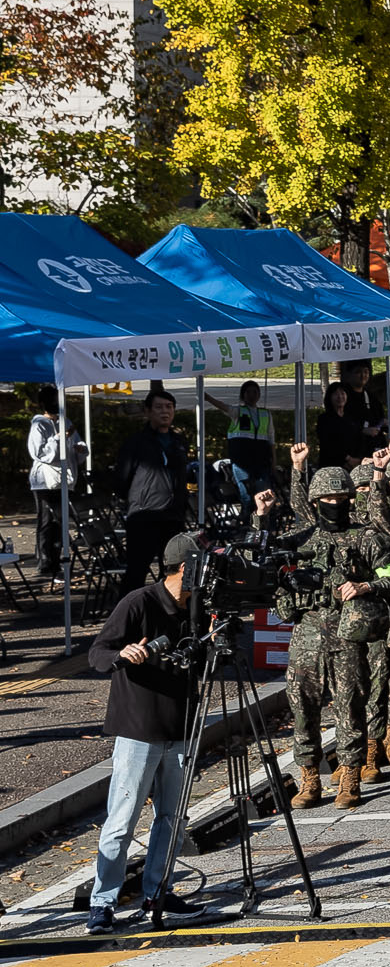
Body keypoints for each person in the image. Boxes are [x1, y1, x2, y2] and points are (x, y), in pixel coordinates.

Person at [86, 531, 204, 932]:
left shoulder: (198, 608)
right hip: (139, 728)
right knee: (122, 820)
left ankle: (159, 891)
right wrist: (123, 653)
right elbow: (97, 653)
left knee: (172, 819)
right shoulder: (139, 601)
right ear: (185, 568)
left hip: (181, 726)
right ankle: (102, 902)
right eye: (201, 567)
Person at [278, 451, 390, 810]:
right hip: (305, 636)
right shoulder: (302, 540)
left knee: (349, 706)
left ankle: (350, 776)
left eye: (340, 498)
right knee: (302, 707)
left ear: (350, 500)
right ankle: (309, 779)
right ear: (316, 502)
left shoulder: (365, 538)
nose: (333, 504)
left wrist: (364, 587)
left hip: (347, 636)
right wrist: (298, 469)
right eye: (327, 499)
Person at [112, 389, 192, 600]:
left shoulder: (179, 442)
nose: (164, 412)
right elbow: (121, 479)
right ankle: (127, 616)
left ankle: (168, 615)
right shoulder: (136, 443)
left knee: (173, 570)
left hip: (173, 516)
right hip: (144, 516)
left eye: (169, 407)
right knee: (137, 570)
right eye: (159, 407)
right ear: (147, 411)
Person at [25, 385, 76, 584]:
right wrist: (58, 439)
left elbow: (74, 447)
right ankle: (45, 560)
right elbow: (39, 453)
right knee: (47, 520)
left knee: (61, 520)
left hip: (63, 479)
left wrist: (79, 449)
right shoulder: (39, 424)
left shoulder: (66, 422)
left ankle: (57, 556)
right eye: (54, 400)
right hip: (44, 480)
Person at [224, 379, 276, 491]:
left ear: (259, 395)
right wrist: (207, 398)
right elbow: (223, 407)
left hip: (261, 460)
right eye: (248, 392)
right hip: (241, 461)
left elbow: (271, 438)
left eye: (255, 392)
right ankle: (247, 509)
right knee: (246, 495)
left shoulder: (265, 413)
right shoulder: (238, 411)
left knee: (263, 492)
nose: (252, 395)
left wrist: (274, 462)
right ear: (243, 395)